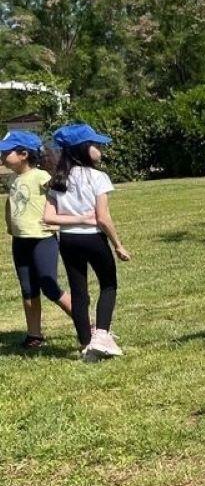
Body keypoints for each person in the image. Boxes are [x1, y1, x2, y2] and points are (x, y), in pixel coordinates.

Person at [43, 123, 130, 361]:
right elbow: (103, 218)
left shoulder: (58, 180)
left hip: (69, 240)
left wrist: (73, 219)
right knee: (108, 284)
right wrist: (118, 244)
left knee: (79, 292)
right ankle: (101, 335)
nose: (99, 148)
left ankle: (85, 343)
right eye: (95, 144)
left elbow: (48, 217)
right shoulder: (97, 177)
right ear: (82, 149)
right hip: (93, 238)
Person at [2, 130, 73, 350]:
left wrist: (59, 223)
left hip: (42, 239)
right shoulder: (13, 178)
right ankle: (34, 335)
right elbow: (10, 204)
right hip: (21, 241)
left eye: (6, 152)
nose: (2, 157)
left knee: (49, 287)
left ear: (23, 154)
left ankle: (88, 326)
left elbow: (66, 199)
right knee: (28, 289)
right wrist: (10, 225)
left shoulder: (42, 177)